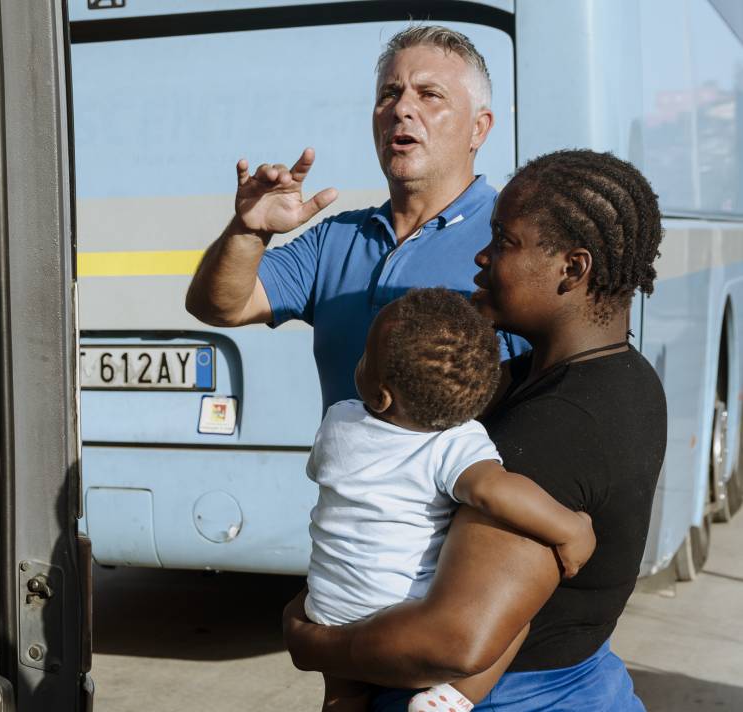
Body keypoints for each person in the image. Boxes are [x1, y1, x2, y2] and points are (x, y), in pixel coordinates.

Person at [282, 149, 667, 711]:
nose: (482, 257)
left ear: (573, 268)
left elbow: (455, 641)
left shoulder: (560, 425)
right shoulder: (573, 377)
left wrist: (311, 639)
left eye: (505, 242)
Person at [185, 25, 527, 414]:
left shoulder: (511, 242)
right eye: (389, 94)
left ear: (479, 128)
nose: (401, 109)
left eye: (429, 95)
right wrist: (248, 231)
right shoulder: (337, 238)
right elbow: (218, 307)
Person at [305, 288, 595, 712]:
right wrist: (571, 528)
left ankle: (343, 700)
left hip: (328, 605)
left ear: (382, 396)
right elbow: (492, 490)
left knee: (343, 693)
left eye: (365, 358)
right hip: (401, 611)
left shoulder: (339, 421)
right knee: (516, 622)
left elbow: (321, 473)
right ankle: (453, 697)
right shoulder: (455, 443)